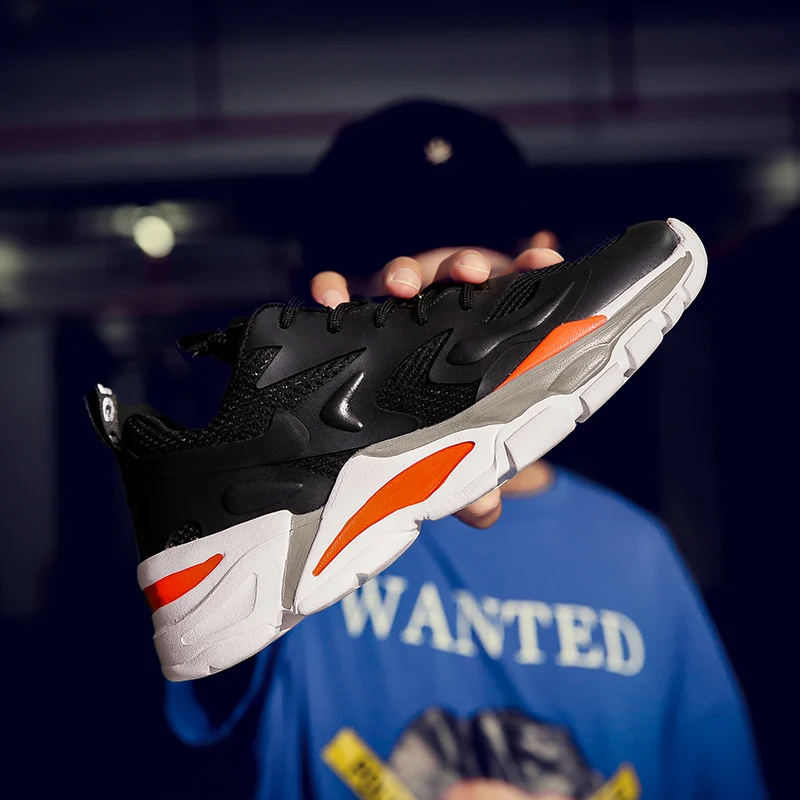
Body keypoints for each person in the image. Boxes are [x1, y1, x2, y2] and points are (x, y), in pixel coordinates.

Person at [164, 100, 767, 799]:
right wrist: (282, 454)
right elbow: (184, 687)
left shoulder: (637, 556)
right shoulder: (283, 537)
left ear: (545, 260)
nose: (444, 279)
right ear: (314, 296)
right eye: (386, 249)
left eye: (484, 246)